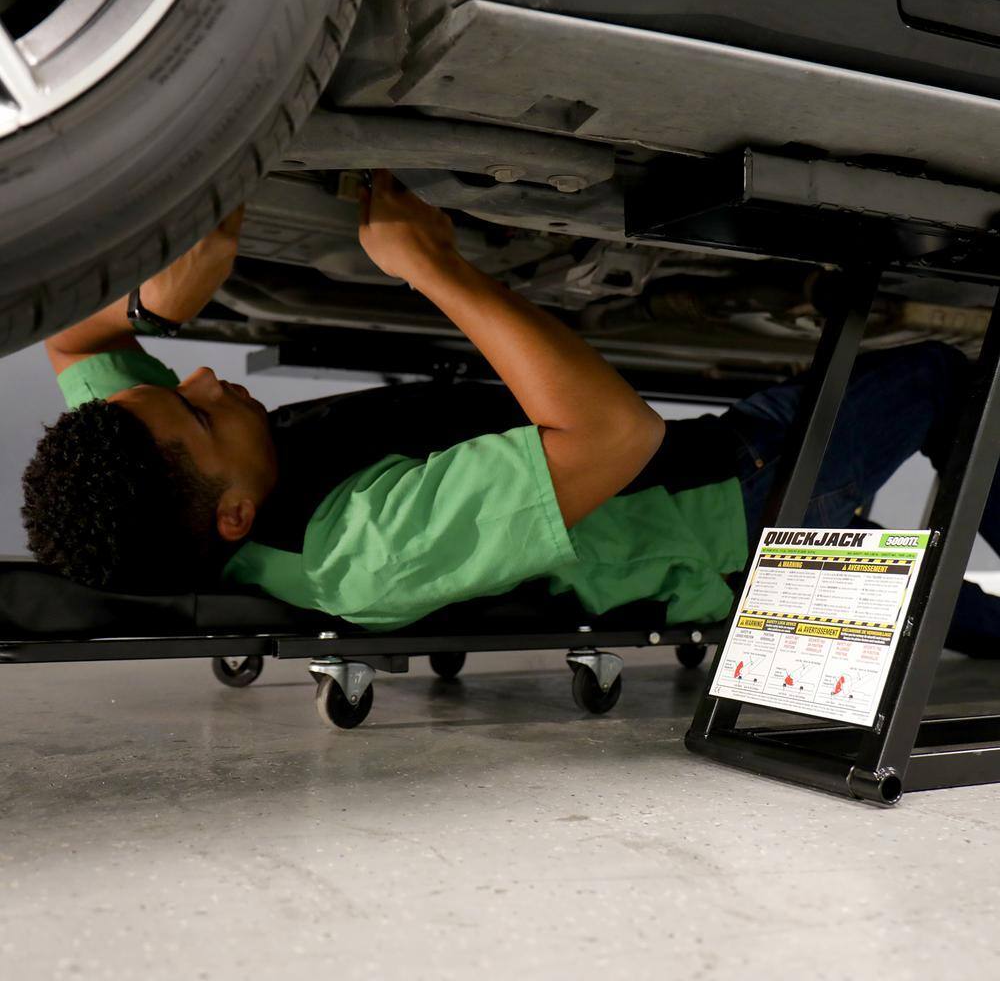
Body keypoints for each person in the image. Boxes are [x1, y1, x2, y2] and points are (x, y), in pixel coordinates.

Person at [19, 171, 1000, 651]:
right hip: (739, 512)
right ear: (233, 514)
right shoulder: (363, 551)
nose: (200, 380)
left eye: (172, 382)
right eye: (197, 415)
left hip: (720, 542)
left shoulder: (163, 487)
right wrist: (432, 266)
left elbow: (74, 345)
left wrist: (154, 304)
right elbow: (616, 437)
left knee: (952, 613)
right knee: (936, 378)